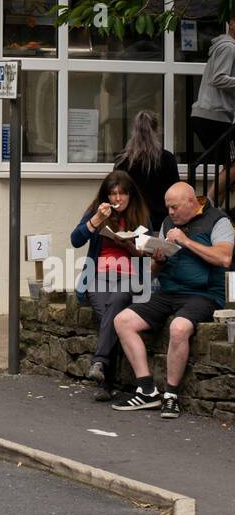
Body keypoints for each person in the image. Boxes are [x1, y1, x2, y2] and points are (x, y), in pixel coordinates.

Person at [111, 182, 234, 418]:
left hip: (203, 294)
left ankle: (171, 396)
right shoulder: (169, 223)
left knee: (179, 328)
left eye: (174, 207)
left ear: (191, 202)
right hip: (168, 292)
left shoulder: (219, 222)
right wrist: (158, 259)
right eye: (168, 208)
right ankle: (147, 390)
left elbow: (224, 258)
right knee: (123, 321)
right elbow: (154, 271)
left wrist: (186, 241)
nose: (170, 213)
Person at [71, 170, 149, 402]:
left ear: (130, 195)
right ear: (106, 196)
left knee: (115, 303)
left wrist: (131, 247)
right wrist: (95, 220)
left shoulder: (141, 216)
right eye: (113, 194)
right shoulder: (97, 212)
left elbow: (149, 252)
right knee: (111, 314)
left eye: (122, 194)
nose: (117, 199)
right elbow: (76, 239)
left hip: (130, 277)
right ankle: (105, 378)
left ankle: (100, 366)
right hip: (98, 275)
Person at [191, 18, 235, 204]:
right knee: (234, 164)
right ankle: (208, 204)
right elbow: (218, 78)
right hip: (214, 115)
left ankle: (216, 209)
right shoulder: (229, 47)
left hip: (209, 114)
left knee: (229, 166)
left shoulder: (224, 46)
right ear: (231, 23)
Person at [116, 111, 180, 231]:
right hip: (161, 224)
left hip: (131, 223)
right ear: (156, 130)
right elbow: (177, 193)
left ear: (133, 131)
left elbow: (115, 193)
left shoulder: (123, 160)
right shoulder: (167, 158)